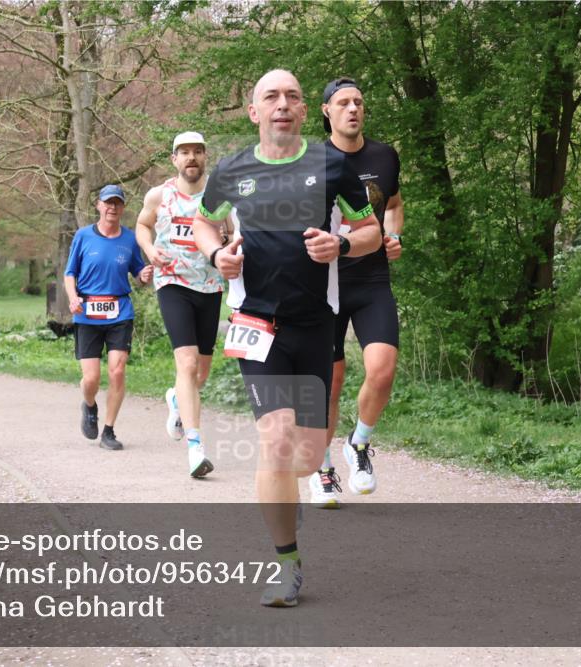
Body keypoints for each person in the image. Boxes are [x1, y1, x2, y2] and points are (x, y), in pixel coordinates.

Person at [193, 69, 381, 607]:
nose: (283, 104)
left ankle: (291, 488)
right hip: (257, 326)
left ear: (305, 111)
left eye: (292, 97)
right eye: (270, 97)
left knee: (305, 456)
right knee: (275, 442)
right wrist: (216, 255)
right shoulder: (231, 170)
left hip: (316, 324)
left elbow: (369, 231)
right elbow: (205, 223)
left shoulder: (332, 165)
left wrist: (342, 247)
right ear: (254, 112)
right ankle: (287, 563)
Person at [309, 77, 404, 509]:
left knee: (382, 370)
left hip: (371, 279)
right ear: (326, 110)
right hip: (323, 283)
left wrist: (392, 234)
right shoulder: (311, 161)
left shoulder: (385, 156)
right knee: (330, 382)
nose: (353, 109)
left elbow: (395, 204)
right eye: (343, 103)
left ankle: (359, 444)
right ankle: (322, 469)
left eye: (359, 102)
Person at [136, 131, 227, 478]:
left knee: (200, 372)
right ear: (174, 159)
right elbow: (142, 226)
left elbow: (234, 233)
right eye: (184, 153)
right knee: (187, 364)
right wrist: (149, 249)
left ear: (205, 158)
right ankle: (195, 447)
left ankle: (176, 399)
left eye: (197, 152)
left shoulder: (219, 197)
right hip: (172, 282)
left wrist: (229, 244)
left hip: (210, 285)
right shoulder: (159, 195)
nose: (191, 158)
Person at [65, 184, 154, 451]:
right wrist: (73, 297)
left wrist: (143, 277)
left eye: (117, 203)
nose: (112, 207)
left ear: (123, 208)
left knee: (117, 370)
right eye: (108, 202)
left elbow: (138, 275)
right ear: (98, 206)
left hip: (119, 312)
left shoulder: (129, 239)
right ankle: (89, 406)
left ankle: (109, 431)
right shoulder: (83, 237)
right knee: (91, 379)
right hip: (87, 314)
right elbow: (70, 274)